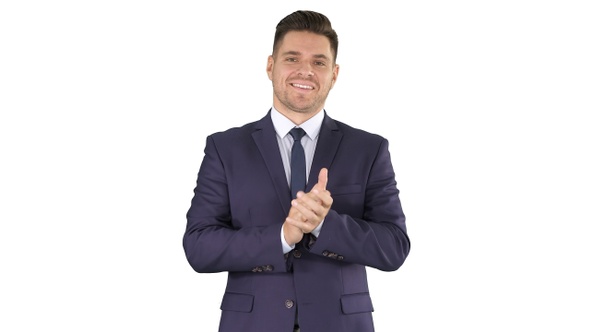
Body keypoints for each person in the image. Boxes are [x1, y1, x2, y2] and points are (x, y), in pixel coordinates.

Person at [183, 10, 410, 332]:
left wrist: (324, 225)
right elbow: (199, 247)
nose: (306, 70)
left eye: (319, 62)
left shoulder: (368, 149)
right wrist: (282, 237)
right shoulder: (225, 148)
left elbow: (394, 248)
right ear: (270, 66)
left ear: (334, 74)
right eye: (292, 58)